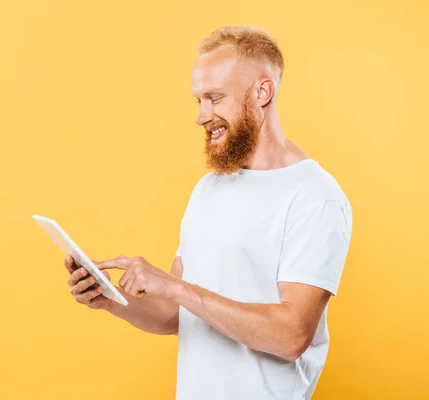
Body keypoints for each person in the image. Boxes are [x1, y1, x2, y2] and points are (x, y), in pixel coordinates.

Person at [63, 25, 352, 400]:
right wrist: (110, 301)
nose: (201, 116)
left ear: (263, 92)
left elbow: (292, 335)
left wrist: (179, 288)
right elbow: (176, 315)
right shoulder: (209, 188)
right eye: (198, 100)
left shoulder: (314, 195)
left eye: (214, 98)